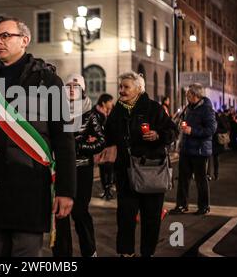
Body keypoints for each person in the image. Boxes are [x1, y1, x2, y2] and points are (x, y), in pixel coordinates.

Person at [0, 17, 76, 257]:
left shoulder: (49, 81)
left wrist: (66, 191)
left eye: (5, 36)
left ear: (25, 40)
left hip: (30, 187)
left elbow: (64, 140)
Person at [105, 71, 177, 257]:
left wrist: (157, 135)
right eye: (120, 87)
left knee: (151, 218)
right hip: (126, 172)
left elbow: (172, 131)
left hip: (151, 170)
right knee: (125, 217)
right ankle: (126, 253)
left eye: (126, 87)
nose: (121, 91)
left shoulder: (154, 108)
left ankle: (148, 253)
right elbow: (109, 135)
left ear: (138, 89)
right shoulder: (117, 110)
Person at [52, 74, 105, 257]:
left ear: (82, 90)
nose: (72, 89)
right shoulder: (57, 112)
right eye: (68, 86)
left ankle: (89, 251)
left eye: (76, 86)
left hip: (82, 169)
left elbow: (100, 142)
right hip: (60, 169)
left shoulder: (90, 114)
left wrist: (78, 146)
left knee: (80, 212)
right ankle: (62, 255)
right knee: (60, 214)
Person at [170, 83, 216, 216]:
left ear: (195, 95)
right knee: (183, 179)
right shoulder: (189, 107)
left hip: (200, 150)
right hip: (186, 149)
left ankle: (204, 207)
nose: (186, 96)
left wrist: (192, 131)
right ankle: (181, 205)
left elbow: (211, 130)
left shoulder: (207, 109)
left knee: (201, 180)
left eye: (188, 94)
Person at [94, 93, 115, 200]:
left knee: (110, 167)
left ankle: (108, 190)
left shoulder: (113, 112)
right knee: (103, 168)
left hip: (111, 144)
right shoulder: (95, 113)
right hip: (101, 144)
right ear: (104, 103)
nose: (111, 103)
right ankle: (105, 189)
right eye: (110, 101)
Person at [208, 111, 230, 181]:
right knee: (208, 159)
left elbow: (225, 129)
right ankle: (208, 174)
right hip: (209, 141)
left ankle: (216, 174)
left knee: (215, 159)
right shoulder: (207, 121)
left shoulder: (219, 121)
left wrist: (216, 130)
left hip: (216, 142)